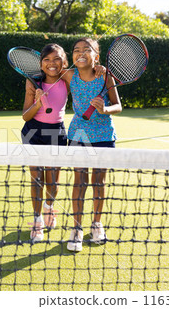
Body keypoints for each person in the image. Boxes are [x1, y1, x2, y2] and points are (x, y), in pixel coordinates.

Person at [61, 37, 122, 252]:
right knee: (80, 181)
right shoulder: (69, 75)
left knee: (99, 181)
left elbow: (118, 105)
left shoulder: (106, 76)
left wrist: (105, 109)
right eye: (76, 50)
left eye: (87, 50)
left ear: (96, 55)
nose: (80, 53)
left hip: (104, 135)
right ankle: (76, 228)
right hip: (79, 133)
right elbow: (50, 69)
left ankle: (97, 224)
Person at [21, 43, 69, 242]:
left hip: (56, 133)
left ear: (64, 61)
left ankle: (49, 207)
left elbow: (88, 75)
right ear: (41, 64)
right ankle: (37, 219)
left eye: (56, 58)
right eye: (47, 59)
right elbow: (25, 115)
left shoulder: (67, 77)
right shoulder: (32, 82)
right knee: (36, 178)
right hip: (33, 131)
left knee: (53, 181)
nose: (52, 63)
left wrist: (98, 69)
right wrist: (38, 103)